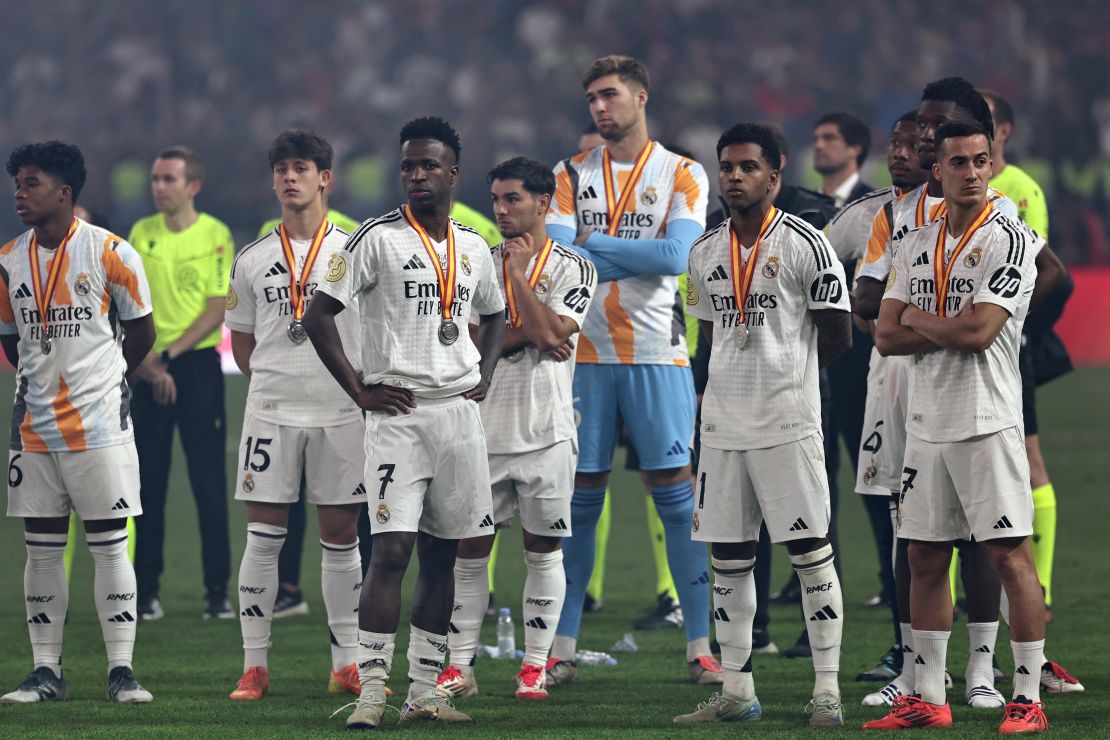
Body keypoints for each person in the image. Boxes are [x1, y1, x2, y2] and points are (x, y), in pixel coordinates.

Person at [854, 78, 1064, 711]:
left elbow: (976, 333)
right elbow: (883, 337)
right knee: (922, 557)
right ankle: (926, 695)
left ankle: (1024, 696)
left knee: (1006, 554)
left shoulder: (1012, 237)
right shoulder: (912, 239)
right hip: (925, 422)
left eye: (982, 161)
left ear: (992, 161)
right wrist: (921, 325)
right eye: (959, 163)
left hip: (988, 419)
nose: (973, 172)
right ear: (936, 168)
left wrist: (920, 320)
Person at [303, 116, 506, 729]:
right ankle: (371, 691)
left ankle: (424, 691)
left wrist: (487, 374)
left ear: (452, 174)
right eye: (407, 166)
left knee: (445, 556)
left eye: (428, 166)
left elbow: (496, 315)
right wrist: (359, 390)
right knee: (390, 551)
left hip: (459, 417)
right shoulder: (374, 239)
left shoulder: (473, 244)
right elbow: (317, 316)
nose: (416, 175)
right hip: (399, 417)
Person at [544, 54, 717, 685]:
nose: (598, 107)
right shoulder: (568, 173)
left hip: (657, 354)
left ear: (641, 98)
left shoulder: (684, 172)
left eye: (609, 95)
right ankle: (560, 649)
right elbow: (558, 257)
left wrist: (593, 249)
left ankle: (699, 647)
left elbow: (676, 256)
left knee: (677, 501)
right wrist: (610, 255)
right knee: (579, 504)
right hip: (583, 356)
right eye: (591, 97)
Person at [675, 123, 851, 727]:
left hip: (787, 424)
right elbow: (706, 341)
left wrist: (787, 375)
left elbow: (839, 333)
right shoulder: (703, 251)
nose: (733, 177)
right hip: (723, 428)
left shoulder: (807, 243)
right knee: (728, 560)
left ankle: (825, 689)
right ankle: (737, 690)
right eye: (726, 167)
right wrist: (706, 408)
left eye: (748, 167)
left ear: (774, 176)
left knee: (809, 553)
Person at [435, 157, 596, 701]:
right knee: (470, 551)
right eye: (497, 200)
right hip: (480, 430)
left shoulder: (576, 267)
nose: (501, 210)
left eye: (513, 200)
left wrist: (523, 285)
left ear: (544, 204)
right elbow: (474, 342)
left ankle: (533, 666)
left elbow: (552, 332)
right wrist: (528, 329)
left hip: (546, 432)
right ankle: (459, 666)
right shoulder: (477, 261)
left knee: (543, 551)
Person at [1, 141, 155, 704]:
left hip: (99, 427)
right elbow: (10, 339)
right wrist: (40, 385)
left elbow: (141, 332)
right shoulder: (7, 260)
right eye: (17, 181)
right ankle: (46, 672)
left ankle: (122, 671)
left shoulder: (112, 252)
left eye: (31, 182)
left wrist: (108, 380)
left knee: (110, 548)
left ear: (64, 193)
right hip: (33, 430)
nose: (19, 191)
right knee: (40, 550)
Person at [222, 130, 367, 701]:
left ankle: (346, 663)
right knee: (263, 538)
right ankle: (254, 666)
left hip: (340, 410)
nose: (289, 177)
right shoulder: (252, 258)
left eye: (301, 167)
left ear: (325, 178)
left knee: (341, 537)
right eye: (281, 168)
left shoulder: (356, 250)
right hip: (273, 412)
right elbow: (241, 342)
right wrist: (277, 384)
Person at [981, 89, 1083, 694]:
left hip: (1002, 348)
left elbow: (1035, 272)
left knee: (1029, 464)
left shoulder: (1020, 189)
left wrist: (1008, 332)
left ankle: (1036, 589)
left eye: (989, 125)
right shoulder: (948, 186)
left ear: (1007, 133)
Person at [824, 111, 928, 684]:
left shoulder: (971, 217)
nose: (901, 152)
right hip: (883, 386)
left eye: (914, 144)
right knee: (896, 522)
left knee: (983, 533)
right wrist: (845, 327)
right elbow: (816, 270)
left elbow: (1047, 275)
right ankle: (903, 649)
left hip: (954, 384)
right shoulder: (865, 216)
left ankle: (1007, 658)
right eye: (895, 142)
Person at [128, 145, 233, 620]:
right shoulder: (139, 233)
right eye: (155, 178)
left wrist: (167, 357)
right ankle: (146, 592)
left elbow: (215, 307)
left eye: (168, 179)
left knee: (208, 483)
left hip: (195, 367)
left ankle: (217, 594)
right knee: (147, 485)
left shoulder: (215, 235)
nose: (158, 186)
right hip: (147, 367)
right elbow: (129, 304)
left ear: (193, 186)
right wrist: (147, 364)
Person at [814, 111, 874, 208]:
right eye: (816, 139)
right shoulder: (801, 204)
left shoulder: (876, 206)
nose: (818, 146)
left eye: (829, 138)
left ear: (855, 149)